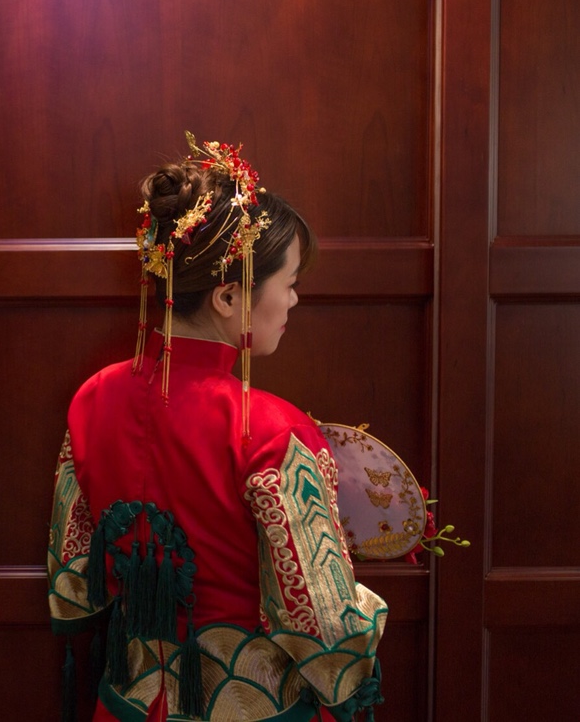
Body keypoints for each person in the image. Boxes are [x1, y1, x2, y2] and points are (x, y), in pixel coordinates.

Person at [47, 134, 387, 722]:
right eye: (290, 283)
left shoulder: (92, 398)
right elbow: (327, 632)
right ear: (229, 296)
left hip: (129, 700)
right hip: (249, 705)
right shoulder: (274, 429)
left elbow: (74, 576)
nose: (295, 301)